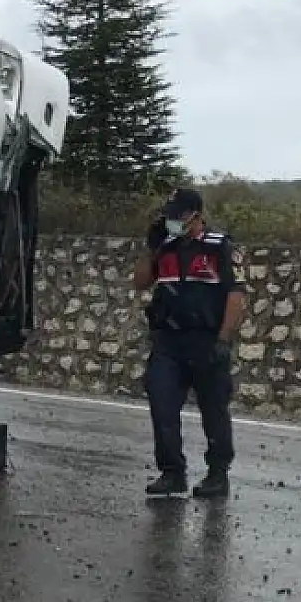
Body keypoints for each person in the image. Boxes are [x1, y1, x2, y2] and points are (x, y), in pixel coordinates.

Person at [132, 186, 247, 498]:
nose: (171, 221)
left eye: (177, 215)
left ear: (195, 215)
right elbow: (140, 282)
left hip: (206, 339)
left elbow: (235, 297)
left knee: (213, 408)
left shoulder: (219, 247)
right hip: (168, 341)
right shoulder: (165, 247)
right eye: (168, 215)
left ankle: (217, 473)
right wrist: (150, 248)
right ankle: (172, 472)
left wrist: (224, 340)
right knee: (162, 403)